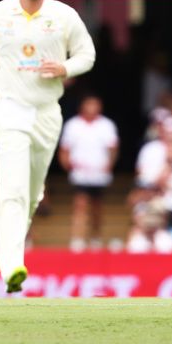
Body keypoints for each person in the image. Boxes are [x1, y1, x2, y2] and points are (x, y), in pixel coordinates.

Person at [0, 0, 95, 294]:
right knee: (13, 188)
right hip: (9, 109)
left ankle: (14, 253)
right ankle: (11, 266)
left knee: (32, 195)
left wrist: (65, 68)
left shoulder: (64, 16)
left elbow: (87, 54)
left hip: (47, 112)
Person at [59, 95, 118, 251]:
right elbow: (65, 150)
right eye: (89, 104)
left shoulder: (106, 125)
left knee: (97, 207)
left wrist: (109, 165)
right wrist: (68, 165)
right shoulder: (73, 125)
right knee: (80, 205)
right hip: (81, 174)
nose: (92, 108)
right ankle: (77, 239)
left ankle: (95, 238)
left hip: (99, 174)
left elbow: (113, 149)